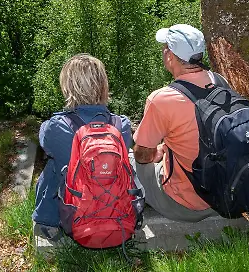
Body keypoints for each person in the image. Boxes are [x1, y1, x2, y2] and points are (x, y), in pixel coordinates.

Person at [31, 54, 136, 240]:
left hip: (71, 215)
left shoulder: (57, 127)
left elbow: (43, 140)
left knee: (54, 167)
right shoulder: (122, 126)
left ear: (68, 87)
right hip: (114, 211)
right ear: (103, 85)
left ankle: (48, 221)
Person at [132, 24, 217, 222]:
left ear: (170, 56)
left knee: (131, 159)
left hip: (185, 204)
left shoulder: (162, 99)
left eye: (165, 48)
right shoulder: (220, 82)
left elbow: (143, 155)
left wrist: (157, 153)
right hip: (224, 194)